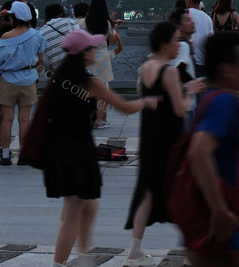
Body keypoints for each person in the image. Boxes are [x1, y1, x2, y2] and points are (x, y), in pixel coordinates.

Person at [44, 29, 157, 267]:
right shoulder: (90, 83)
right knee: (73, 212)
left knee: (89, 205)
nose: (97, 50)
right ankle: (59, 263)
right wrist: (148, 101)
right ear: (83, 54)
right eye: (93, 48)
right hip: (77, 149)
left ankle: (85, 253)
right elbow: (124, 107)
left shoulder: (59, 79)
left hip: (59, 148)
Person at [186, 32, 239, 267]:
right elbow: (198, 151)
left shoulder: (223, 101)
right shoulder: (223, 102)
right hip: (221, 229)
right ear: (226, 70)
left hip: (227, 225)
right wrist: (219, 210)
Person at [124, 21, 201, 267]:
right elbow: (180, 108)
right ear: (165, 43)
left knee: (147, 193)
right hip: (169, 142)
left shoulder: (148, 66)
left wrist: (184, 87)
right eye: (176, 40)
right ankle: (196, 251)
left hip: (150, 140)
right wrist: (191, 92)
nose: (180, 45)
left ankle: (134, 252)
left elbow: (163, 98)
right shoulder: (169, 70)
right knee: (180, 196)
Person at [0, 1, 47, 165]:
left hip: (8, 79)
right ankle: (24, 154)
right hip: (29, 79)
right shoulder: (36, 35)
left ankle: (5, 155)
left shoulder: (5, 37)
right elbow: (40, 61)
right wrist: (36, 77)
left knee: (7, 119)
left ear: (14, 17)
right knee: (24, 119)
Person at [85, 0, 122, 129]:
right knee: (101, 92)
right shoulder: (106, 23)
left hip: (87, 57)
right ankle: (100, 121)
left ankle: (87, 119)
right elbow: (112, 40)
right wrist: (115, 27)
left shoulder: (84, 22)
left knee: (87, 90)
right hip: (102, 59)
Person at [39, 3, 79, 76]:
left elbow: (44, 59)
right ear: (61, 13)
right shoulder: (70, 22)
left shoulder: (41, 32)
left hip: (57, 75)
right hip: (75, 70)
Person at [186, 0, 214, 77]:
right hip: (204, 63)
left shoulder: (185, 14)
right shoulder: (208, 18)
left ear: (189, 0)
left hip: (190, 61)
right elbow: (210, 41)